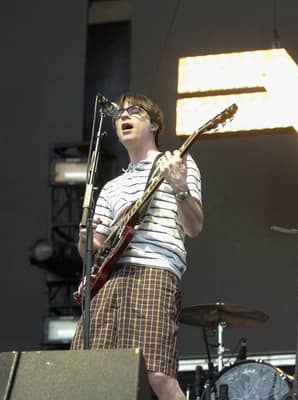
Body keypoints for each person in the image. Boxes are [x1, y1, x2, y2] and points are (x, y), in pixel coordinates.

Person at [71, 92, 204, 400]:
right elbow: (94, 252)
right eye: (120, 115)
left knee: (156, 373)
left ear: (155, 124)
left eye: (134, 111)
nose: (124, 117)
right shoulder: (110, 187)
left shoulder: (177, 162)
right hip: (108, 280)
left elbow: (195, 227)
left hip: (154, 269)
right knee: (86, 372)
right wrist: (85, 239)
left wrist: (180, 187)